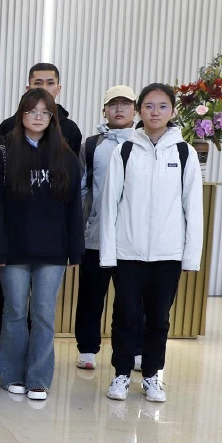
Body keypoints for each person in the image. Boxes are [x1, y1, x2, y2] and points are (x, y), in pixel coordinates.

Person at [99, 84, 203, 404]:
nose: (155, 112)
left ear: (173, 111)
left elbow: (192, 208)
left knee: (159, 319)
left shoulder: (184, 153)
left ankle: (152, 376)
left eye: (162, 106)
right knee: (125, 316)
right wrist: (108, 254)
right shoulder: (125, 151)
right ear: (139, 110)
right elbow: (110, 204)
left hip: (167, 255)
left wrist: (190, 257)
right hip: (127, 252)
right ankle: (120, 374)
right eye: (148, 106)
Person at [0, 87, 84, 401]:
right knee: (15, 312)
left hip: (53, 251)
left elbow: (74, 206)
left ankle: (39, 379)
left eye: (45, 112)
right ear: (22, 116)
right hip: (14, 249)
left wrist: (75, 249)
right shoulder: (4, 154)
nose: (38, 117)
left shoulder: (65, 156)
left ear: (53, 117)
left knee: (43, 314)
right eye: (32, 112)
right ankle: (12, 374)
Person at [75, 85, 138, 371]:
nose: (119, 109)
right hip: (96, 236)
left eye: (126, 104)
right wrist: (82, 227)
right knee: (91, 296)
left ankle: (135, 350)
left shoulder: (144, 143)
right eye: (113, 104)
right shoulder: (91, 145)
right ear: (104, 110)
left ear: (135, 109)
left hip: (132, 239)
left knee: (131, 300)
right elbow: (82, 188)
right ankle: (87, 348)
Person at [0, 63, 83, 153]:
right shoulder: (8, 126)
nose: (44, 88)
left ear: (58, 89)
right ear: (28, 89)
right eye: (38, 83)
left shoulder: (70, 129)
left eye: (50, 83)